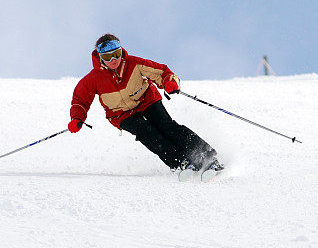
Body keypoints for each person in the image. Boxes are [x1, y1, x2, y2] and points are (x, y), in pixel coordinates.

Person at [68, 33, 223, 177]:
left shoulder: (133, 63)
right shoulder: (93, 78)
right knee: (147, 133)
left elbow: (162, 72)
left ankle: (206, 155)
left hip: (146, 100)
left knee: (166, 126)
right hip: (121, 114)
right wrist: (77, 118)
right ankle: (181, 163)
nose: (114, 59)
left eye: (117, 54)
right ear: (100, 57)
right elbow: (80, 100)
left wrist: (169, 82)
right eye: (108, 57)